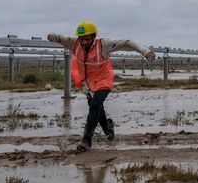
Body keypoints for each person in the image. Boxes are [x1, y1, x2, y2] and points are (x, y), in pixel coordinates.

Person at [47, 21, 156, 152]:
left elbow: (127, 42)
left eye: (87, 38)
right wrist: (52, 36)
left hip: (104, 81)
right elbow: (60, 38)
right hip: (87, 83)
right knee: (98, 109)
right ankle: (109, 131)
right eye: (82, 39)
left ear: (93, 36)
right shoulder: (74, 43)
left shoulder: (103, 44)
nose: (84, 42)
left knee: (95, 106)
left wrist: (145, 51)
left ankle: (86, 141)